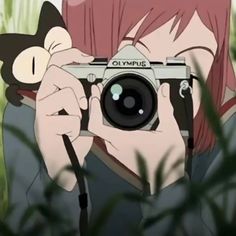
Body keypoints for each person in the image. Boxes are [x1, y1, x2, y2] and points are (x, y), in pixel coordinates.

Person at [2, 0, 236, 235]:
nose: (149, 94)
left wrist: (169, 183)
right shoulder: (39, 115)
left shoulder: (228, 133)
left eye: (181, 73)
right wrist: (60, 179)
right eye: (135, 66)